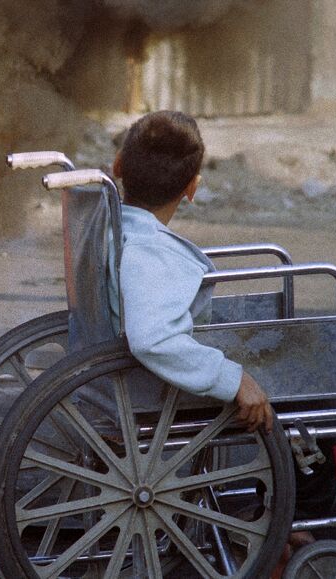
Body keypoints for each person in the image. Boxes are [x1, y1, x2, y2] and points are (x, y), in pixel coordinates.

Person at [108, 110, 273, 433]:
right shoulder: (150, 253)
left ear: (117, 166)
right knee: (307, 394)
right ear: (192, 188)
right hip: (151, 388)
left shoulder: (110, 229)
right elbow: (151, 339)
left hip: (123, 376)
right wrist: (233, 378)